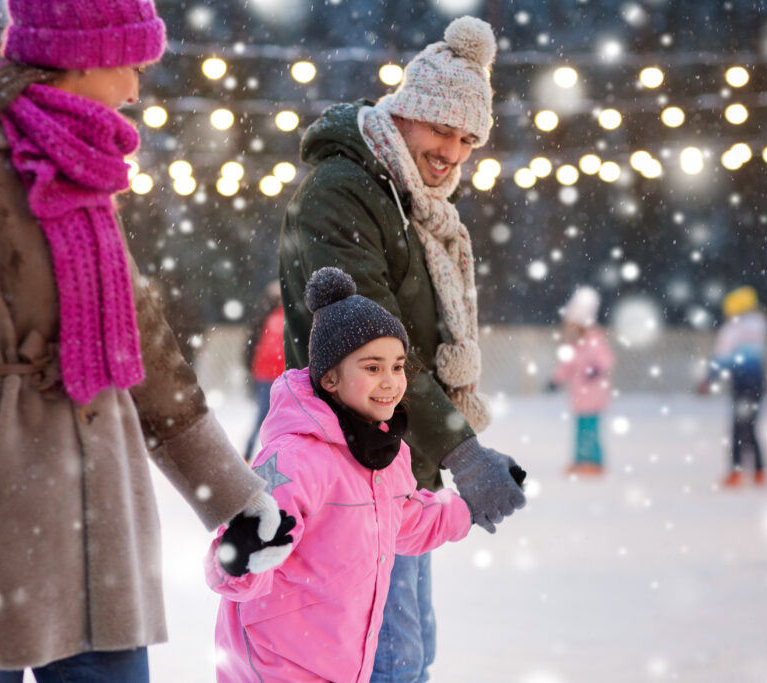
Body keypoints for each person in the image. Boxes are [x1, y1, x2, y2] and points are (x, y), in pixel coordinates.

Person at [0, 1, 281, 680]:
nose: (136, 88)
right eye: (129, 63)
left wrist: (233, 495)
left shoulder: (90, 165)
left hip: (99, 514)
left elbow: (147, 349)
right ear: (81, 57)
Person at [278, 15, 527, 681]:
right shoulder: (345, 192)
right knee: (384, 660)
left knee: (406, 654)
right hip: (350, 466)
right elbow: (372, 345)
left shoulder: (406, 200)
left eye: (469, 138)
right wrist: (463, 451)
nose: (453, 150)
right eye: (443, 127)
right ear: (407, 113)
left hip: (392, 470)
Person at [206, 268, 519, 682]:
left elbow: (407, 521)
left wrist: (468, 508)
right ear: (330, 378)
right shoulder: (296, 460)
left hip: (341, 661)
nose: (390, 382)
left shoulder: (385, 454)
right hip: (275, 664)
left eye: (398, 366)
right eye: (372, 368)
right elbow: (234, 566)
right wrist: (238, 556)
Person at [697, 286, 767, 487]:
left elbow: (722, 357)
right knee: (751, 427)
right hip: (758, 381)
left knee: (738, 429)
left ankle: (736, 471)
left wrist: (709, 379)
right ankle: (759, 471)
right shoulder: (760, 324)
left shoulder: (732, 329)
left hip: (741, 382)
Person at [545, 286, 616, 477]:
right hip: (578, 396)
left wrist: (596, 369)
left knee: (590, 430)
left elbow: (607, 360)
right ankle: (579, 459)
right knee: (580, 430)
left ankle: (594, 461)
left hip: (594, 395)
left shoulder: (595, 339)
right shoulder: (574, 345)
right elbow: (567, 366)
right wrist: (555, 380)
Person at [243, 280, 285, 460]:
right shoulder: (265, 317)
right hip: (266, 375)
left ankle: (273, 457)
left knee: (274, 419)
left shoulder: (276, 317)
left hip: (277, 375)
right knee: (264, 417)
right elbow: (251, 345)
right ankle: (252, 455)